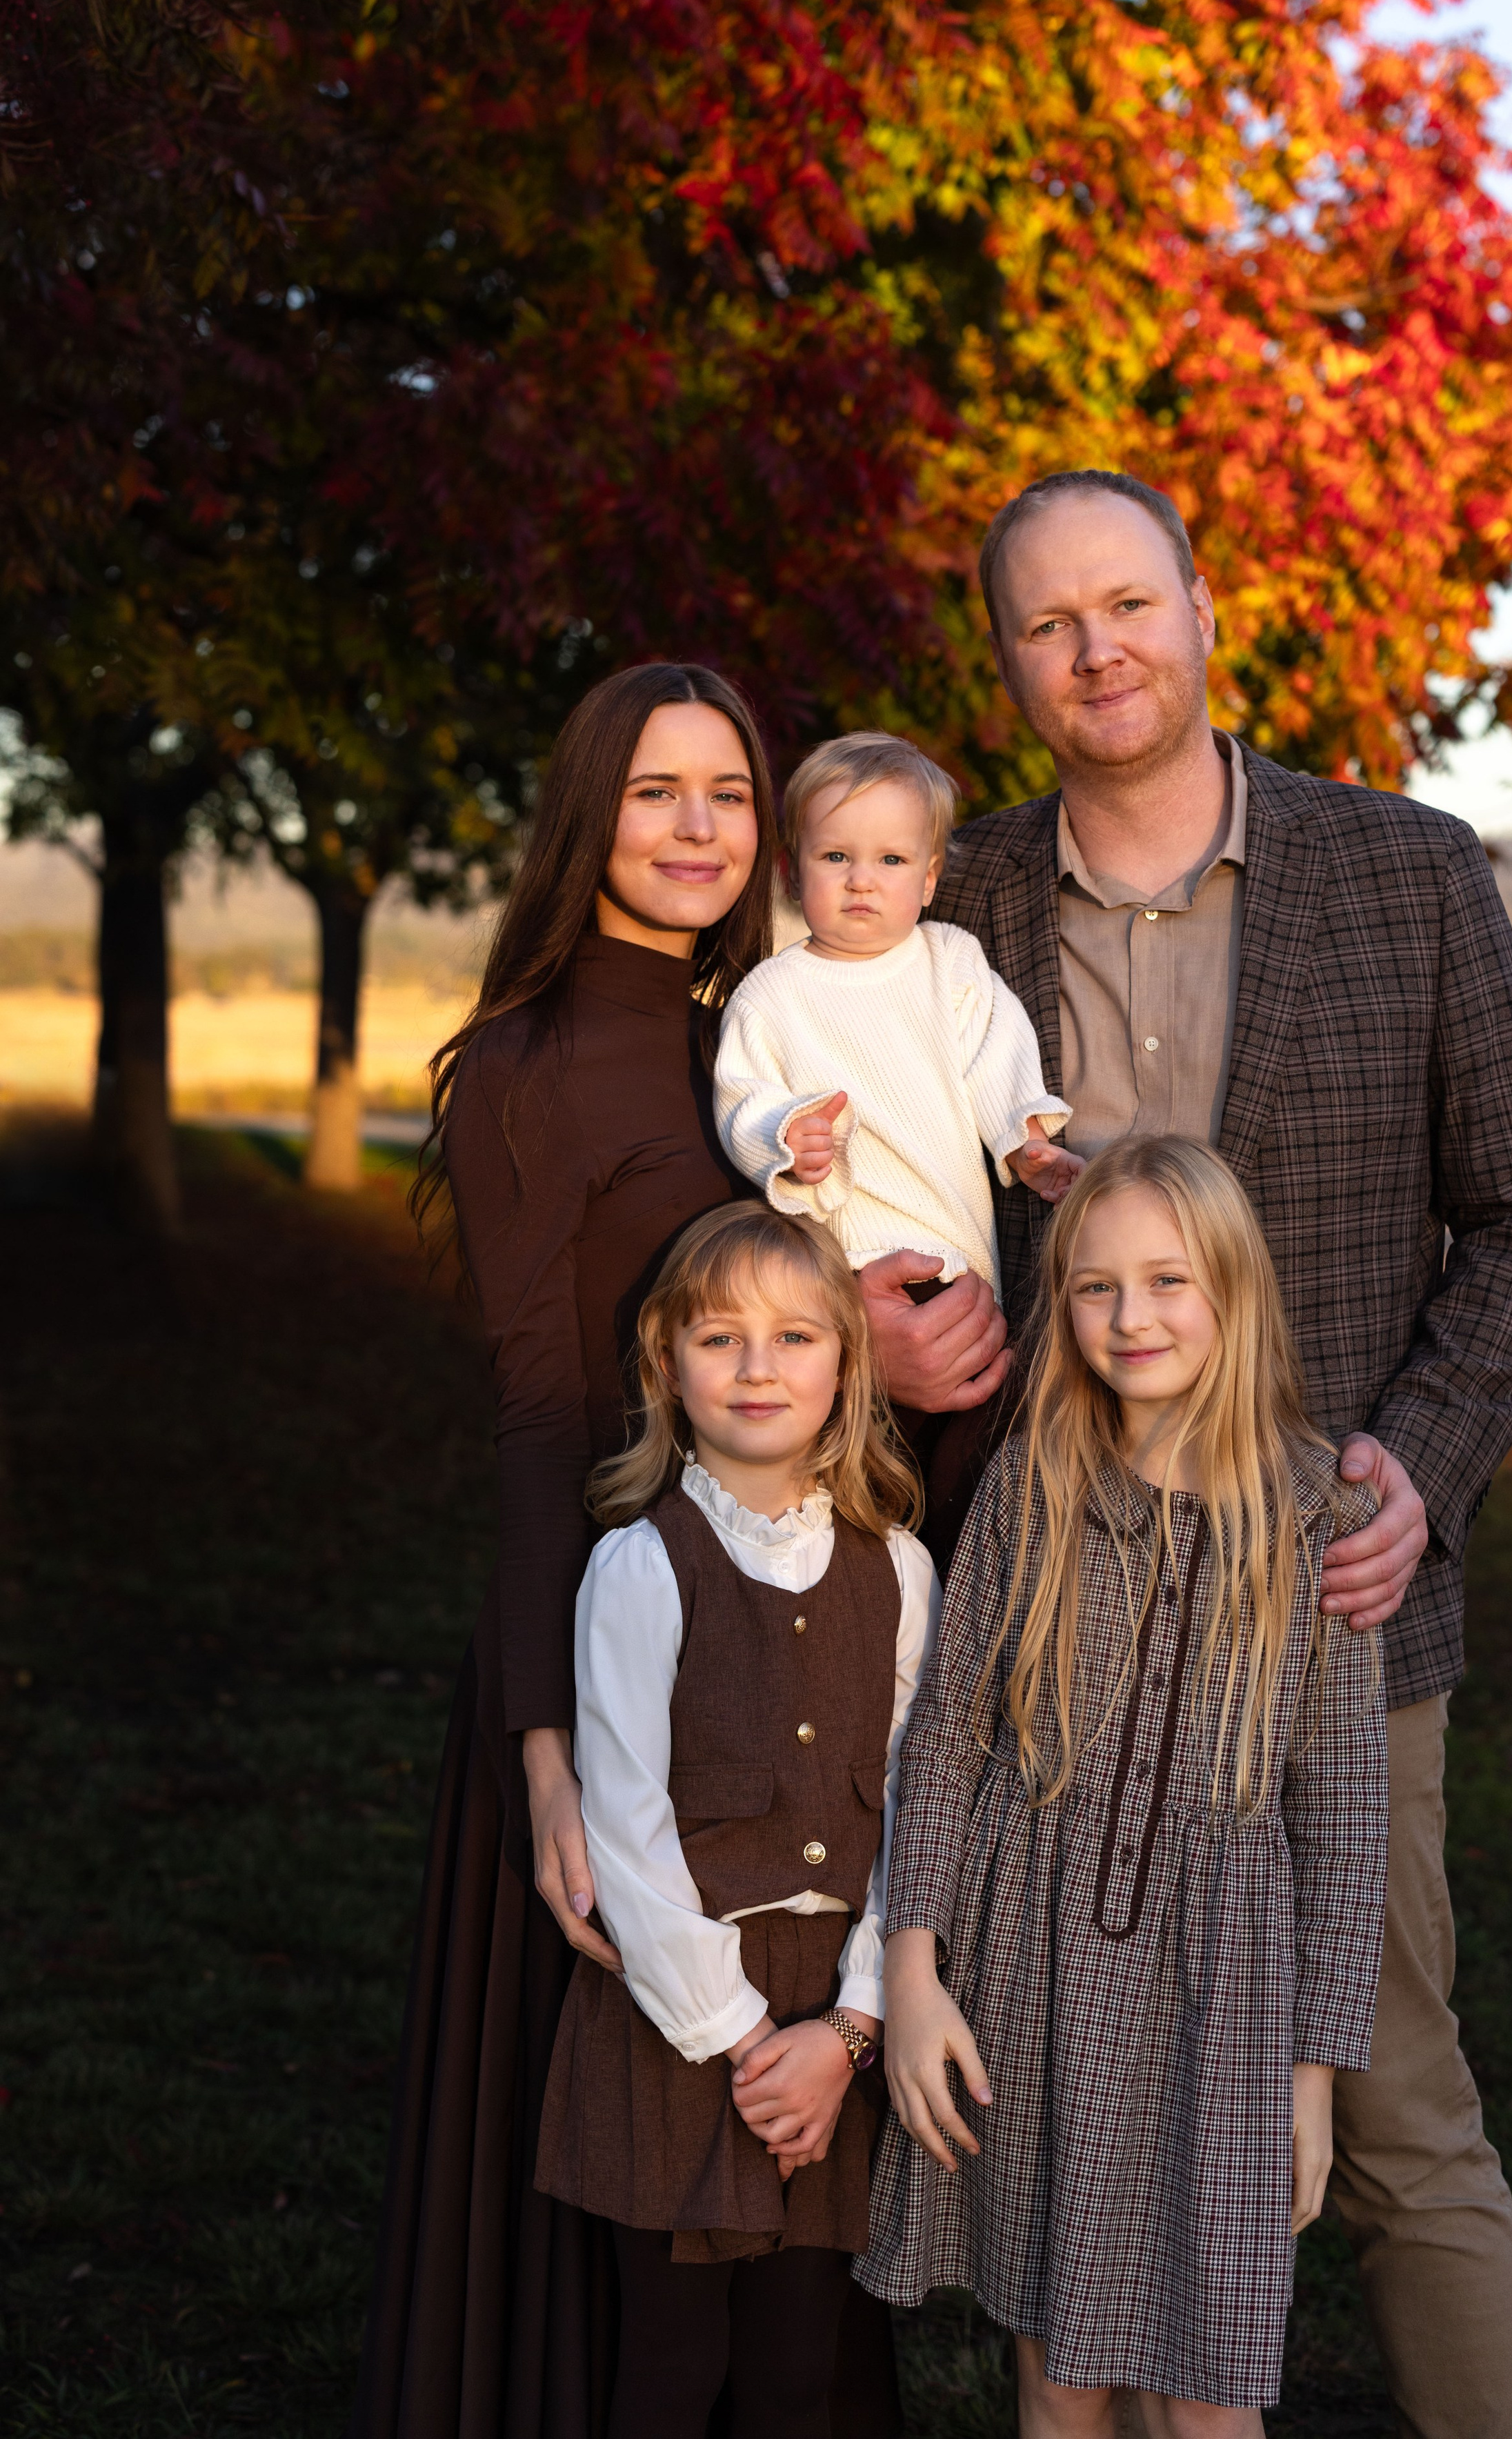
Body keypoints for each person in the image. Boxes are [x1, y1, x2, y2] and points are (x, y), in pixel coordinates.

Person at [875, 468, 1512, 2439]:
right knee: (1053, 2079)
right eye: (1048, 621)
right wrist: (881, 1302)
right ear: (1009, 657)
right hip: (1053, 1627)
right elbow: (859, 1176)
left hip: (1327, 1609)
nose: (1096, 647)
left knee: (1384, 2098)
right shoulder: (955, 903)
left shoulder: (1411, 871)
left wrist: (1421, 1467)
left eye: (1128, 601)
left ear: (1202, 606)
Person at [349, 663, 902, 2439]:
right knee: (628, 2194)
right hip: (606, 1668)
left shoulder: (764, 1034)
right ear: (589, 814)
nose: (695, 829)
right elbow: (529, 1417)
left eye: (729, 794)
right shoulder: (520, 1068)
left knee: (795, 2251)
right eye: (656, 791)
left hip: (792, 1645)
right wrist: (543, 1755)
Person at [860, 1136, 1388, 2435]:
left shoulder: (1318, 1511)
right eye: (1095, 1286)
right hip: (1034, 1972)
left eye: (1167, 1280)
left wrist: (1315, 2071)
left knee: (1208, 2392)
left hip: (1226, 1997)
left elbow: (1347, 1815)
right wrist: (913, 1974)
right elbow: (946, 1739)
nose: (1131, 1316)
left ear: (1232, 1290)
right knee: (1061, 2375)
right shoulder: (1032, 1488)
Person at [533, 1203, 939, 2439]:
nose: (759, 1366)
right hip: (679, 2020)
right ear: (667, 1365)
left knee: (791, 2380)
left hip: (836, 2017)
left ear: (846, 1367)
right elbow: (628, 1831)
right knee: (668, 2373)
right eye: (721, 1337)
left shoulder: (902, 1568)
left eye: (796, 1335)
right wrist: (746, 2034)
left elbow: (918, 1805)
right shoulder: (641, 1564)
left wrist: (852, 2028)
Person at [713, 731, 1080, 1295]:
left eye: (891, 859)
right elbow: (741, 1096)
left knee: (980, 1370)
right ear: (792, 872)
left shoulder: (949, 960)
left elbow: (996, 1046)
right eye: (835, 856)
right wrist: (785, 1136)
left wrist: (1023, 1136)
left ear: (929, 878)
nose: (862, 879)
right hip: (843, 1263)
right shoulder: (769, 995)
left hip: (958, 1254)